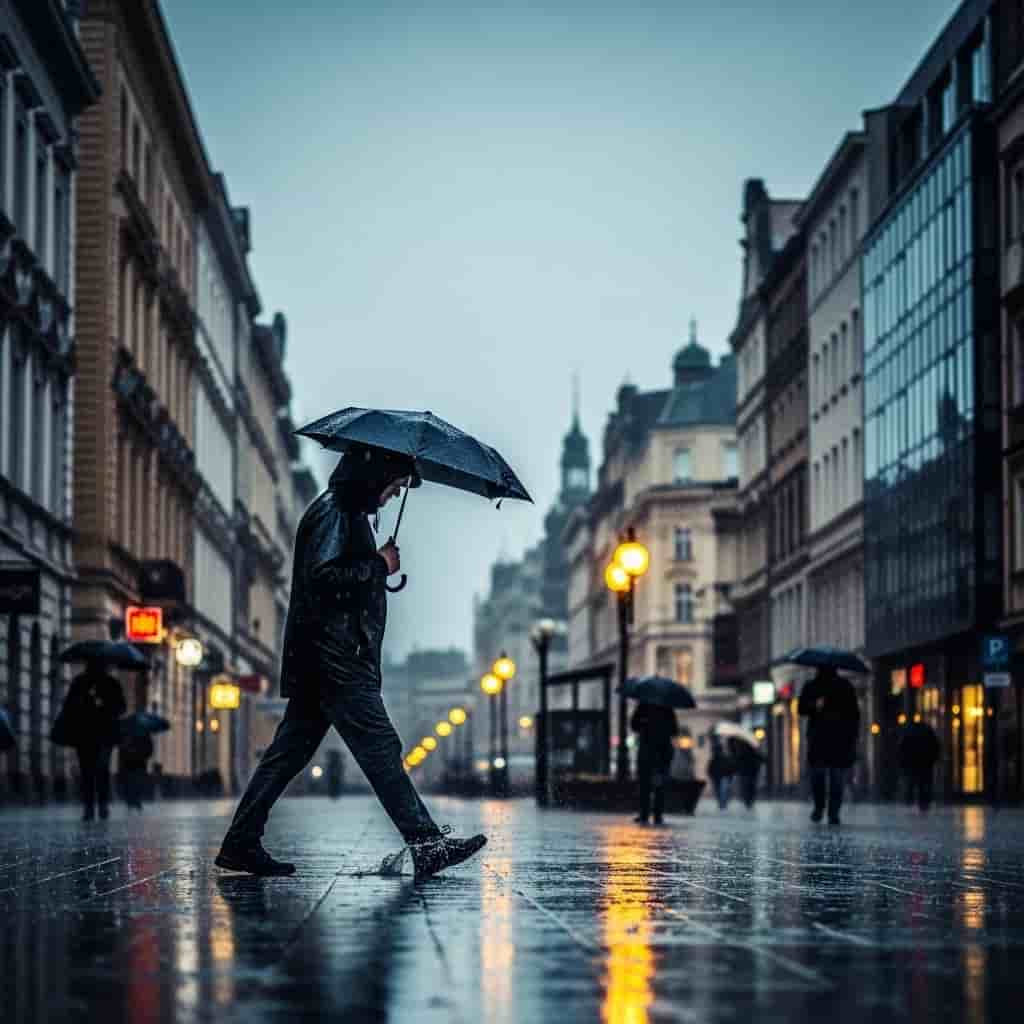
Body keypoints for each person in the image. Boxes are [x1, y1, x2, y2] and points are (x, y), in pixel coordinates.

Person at [216, 445, 487, 880]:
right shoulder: (336, 512)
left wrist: (374, 568)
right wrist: (377, 564)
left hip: (326, 657)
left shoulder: (344, 513)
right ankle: (427, 842)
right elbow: (323, 578)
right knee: (380, 748)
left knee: (287, 753)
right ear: (376, 476)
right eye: (395, 486)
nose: (394, 496)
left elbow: (338, 575)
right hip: (335, 660)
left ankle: (240, 842)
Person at [60, 660, 126, 822]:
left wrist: (105, 705)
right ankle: (90, 806)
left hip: (103, 734)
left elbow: (121, 707)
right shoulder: (80, 682)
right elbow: (69, 706)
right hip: (86, 734)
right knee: (89, 771)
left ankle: (100, 805)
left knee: (99, 770)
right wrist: (84, 703)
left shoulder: (111, 683)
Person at [798, 666, 860, 825]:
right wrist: (815, 706)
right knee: (829, 777)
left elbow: (853, 713)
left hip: (832, 738)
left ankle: (828, 811)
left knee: (830, 776)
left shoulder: (842, 686)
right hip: (827, 738)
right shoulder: (813, 686)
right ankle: (826, 809)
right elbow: (802, 709)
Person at [631, 701, 678, 825]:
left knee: (645, 784)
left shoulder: (643, 706)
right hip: (662, 752)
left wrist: (645, 724)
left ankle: (645, 814)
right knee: (659, 784)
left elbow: (633, 725)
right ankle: (657, 815)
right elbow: (674, 730)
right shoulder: (667, 708)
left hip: (648, 751)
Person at [899, 720, 941, 813]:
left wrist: (903, 763)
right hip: (925, 763)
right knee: (924, 784)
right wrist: (933, 760)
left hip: (912, 763)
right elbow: (935, 747)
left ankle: (909, 800)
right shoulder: (928, 733)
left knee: (911, 782)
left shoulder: (908, 734)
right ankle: (923, 803)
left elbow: (902, 749)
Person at [120, 731, 154, 810]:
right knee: (132, 781)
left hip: (137, 762)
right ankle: (133, 800)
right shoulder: (143, 731)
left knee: (135, 781)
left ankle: (134, 800)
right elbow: (149, 747)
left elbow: (149, 747)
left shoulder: (128, 731)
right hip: (132, 762)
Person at [729, 737, 765, 809]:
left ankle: (747, 800)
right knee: (751, 786)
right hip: (752, 772)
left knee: (746, 786)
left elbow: (737, 761)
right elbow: (761, 758)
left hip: (745, 772)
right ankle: (750, 800)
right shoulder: (753, 751)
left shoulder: (741, 751)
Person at [707, 735, 736, 810]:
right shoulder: (717, 759)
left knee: (721, 791)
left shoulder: (719, 759)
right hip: (720, 777)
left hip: (722, 777)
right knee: (721, 791)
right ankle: (722, 803)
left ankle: (722, 803)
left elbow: (710, 769)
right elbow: (710, 769)